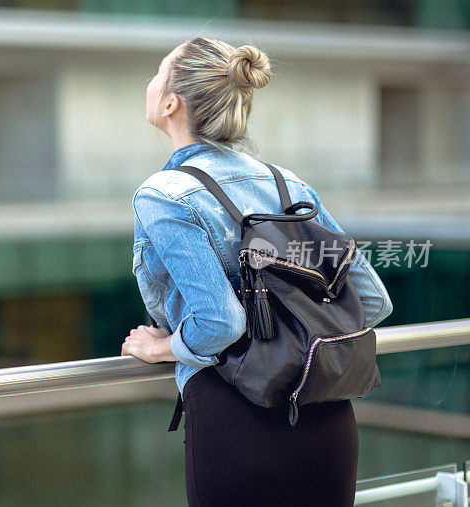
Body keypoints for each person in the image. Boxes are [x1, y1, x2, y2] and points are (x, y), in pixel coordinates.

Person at [120, 37, 394, 506]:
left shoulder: (164, 194)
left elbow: (221, 323)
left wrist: (160, 346)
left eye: (157, 72)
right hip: (327, 413)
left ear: (171, 102)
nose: (150, 82)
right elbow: (371, 300)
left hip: (237, 417)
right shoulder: (287, 183)